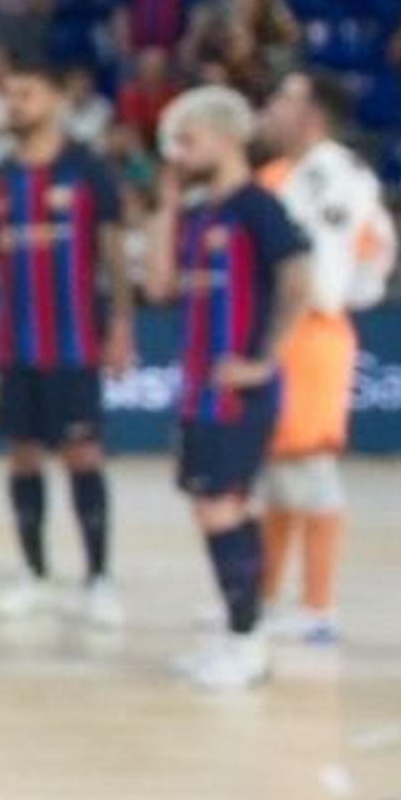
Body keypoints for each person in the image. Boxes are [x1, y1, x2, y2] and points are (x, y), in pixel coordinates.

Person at [143, 87, 315, 692]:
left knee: (222, 508)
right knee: (215, 509)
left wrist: (264, 360)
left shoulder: (257, 208)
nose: (178, 152)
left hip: (236, 394)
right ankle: (240, 630)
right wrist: (165, 206)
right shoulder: (199, 213)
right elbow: (160, 285)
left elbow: (299, 279)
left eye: (188, 139)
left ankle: (248, 643)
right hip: (197, 390)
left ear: (223, 136)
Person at [0, 68, 132, 630]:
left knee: (83, 454)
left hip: (73, 342)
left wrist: (120, 325)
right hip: (11, 342)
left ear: (58, 100)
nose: (15, 104)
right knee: (21, 455)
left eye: (28, 93)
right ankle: (34, 574)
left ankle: (98, 578)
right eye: (10, 95)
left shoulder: (88, 171)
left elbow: (113, 255)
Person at [253, 71, 395, 647]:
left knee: (310, 467)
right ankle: (261, 599)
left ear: (311, 115)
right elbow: (382, 241)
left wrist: (319, 308)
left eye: (283, 98)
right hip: (290, 329)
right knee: (279, 471)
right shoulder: (292, 174)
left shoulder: (333, 174)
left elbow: (333, 268)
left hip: (308, 330)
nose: (271, 107)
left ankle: (318, 608)